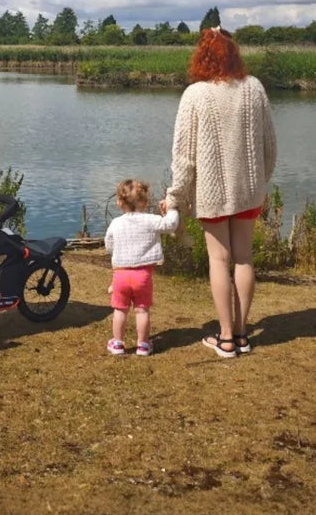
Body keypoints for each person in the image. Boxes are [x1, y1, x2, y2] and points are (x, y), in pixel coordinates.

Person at [161, 27, 277, 358]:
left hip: (211, 194)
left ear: (202, 56)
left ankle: (226, 338)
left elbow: (183, 158)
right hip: (249, 192)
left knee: (219, 258)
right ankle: (241, 334)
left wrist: (174, 198)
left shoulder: (195, 94)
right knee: (244, 257)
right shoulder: (254, 88)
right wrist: (259, 182)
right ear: (234, 54)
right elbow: (270, 147)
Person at [103, 179, 179, 356]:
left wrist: (118, 252)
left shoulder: (116, 223)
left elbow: (108, 244)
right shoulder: (150, 220)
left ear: (119, 202)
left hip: (120, 275)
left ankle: (117, 344)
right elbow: (170, 225)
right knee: (142, 310)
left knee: (120, 310)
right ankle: (143, 345)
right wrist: (172, 209)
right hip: (143, 275)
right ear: (144, 202)